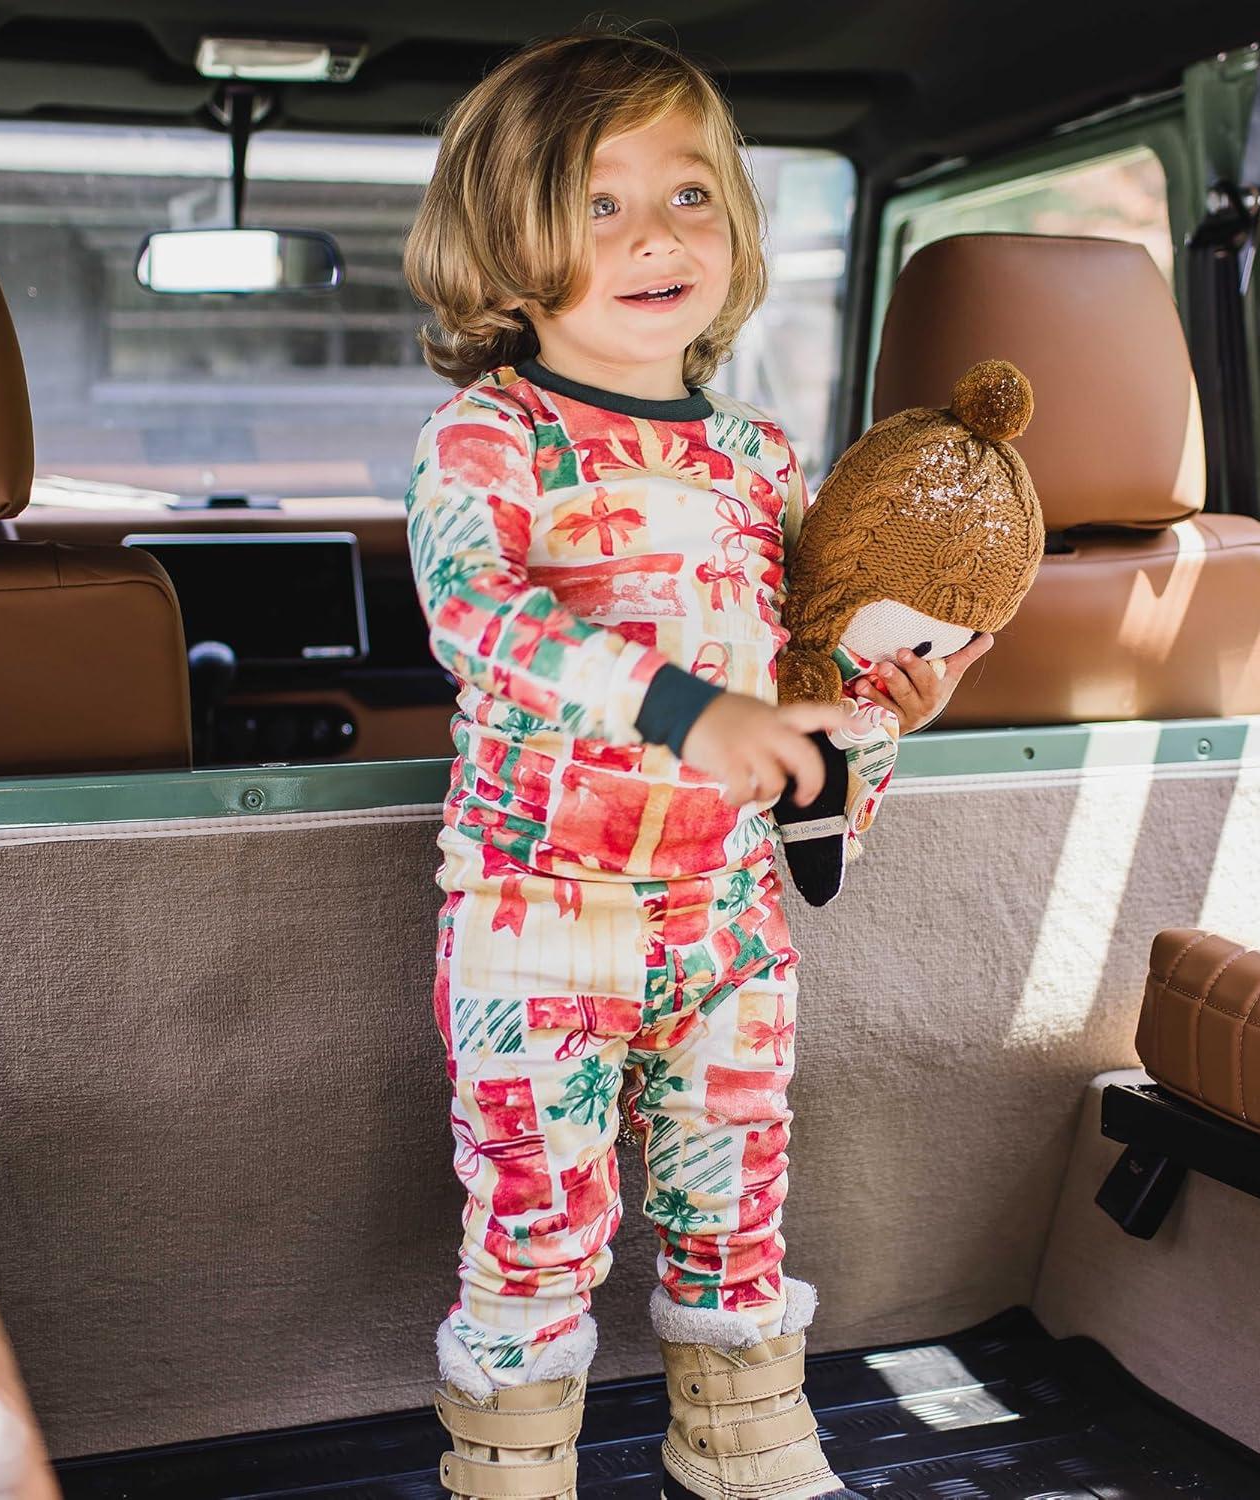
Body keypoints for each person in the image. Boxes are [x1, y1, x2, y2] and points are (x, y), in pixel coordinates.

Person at [402, 28, 993, 1500]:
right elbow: (480, 617)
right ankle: (511, 1469)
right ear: (506, 244)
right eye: (598, 205)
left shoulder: (762, 459)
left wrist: (878, 715)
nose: (655, 236)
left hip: (727, 917)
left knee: (738, 1200)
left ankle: (745, 1449)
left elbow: (794, 689)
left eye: (688, 195)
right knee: (539, 1224)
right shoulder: (489, 435)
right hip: (543, 917)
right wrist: (689, 714)